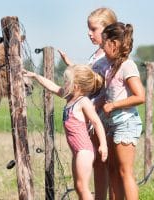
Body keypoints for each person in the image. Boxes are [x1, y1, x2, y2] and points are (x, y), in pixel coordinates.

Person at [23, 65, 108, 200]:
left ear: (76, 86)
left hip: (84, 150)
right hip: (77, 151)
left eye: (67, 81)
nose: (64, 84)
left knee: (82, 186)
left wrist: (103, 145)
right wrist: (35, 76)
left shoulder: (83, 102)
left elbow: (97, 122)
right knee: (78, 187)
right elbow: (52, 87)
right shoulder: (70, 98)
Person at [58, 7, 117, 199]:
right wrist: (72, 67)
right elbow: (91, 80)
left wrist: (96, 105)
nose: (89, 33)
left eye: (93, 29)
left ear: (107, 30)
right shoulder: (96, 55)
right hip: (91, 115)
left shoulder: (109, 57)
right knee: (98, 163)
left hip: (101, 116)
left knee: (104, 164)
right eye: (88, 29)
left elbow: (110, 88)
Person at [101, 22, 145, 200]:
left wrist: (113, 105)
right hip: (112, 124)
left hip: (126, 124)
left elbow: (140, 96)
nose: (102, 48)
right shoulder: (112, 67)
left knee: (125, 171)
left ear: (114, 44)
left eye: (104, 43)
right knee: (112, 170)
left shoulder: (128, 66)